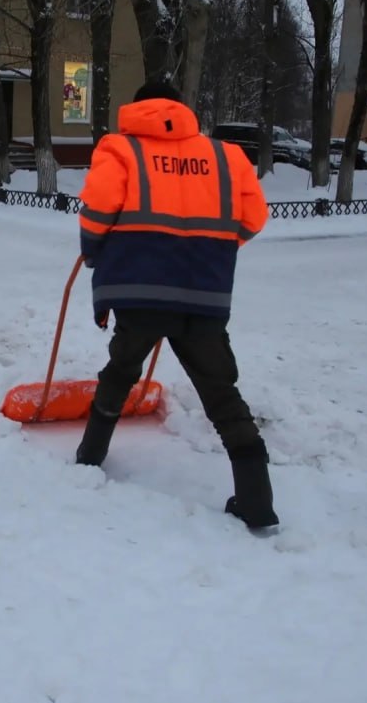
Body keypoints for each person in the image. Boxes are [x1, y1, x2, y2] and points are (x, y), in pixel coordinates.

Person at [75, 81, 277, 530]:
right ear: (180, 110)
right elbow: (254, 217)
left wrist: (95, 252)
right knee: (222, 394)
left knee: (121, 372)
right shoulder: (227, 157)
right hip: (203, 294)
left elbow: (97, 211)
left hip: (139, 290)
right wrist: (215, 250)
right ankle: (257, 500)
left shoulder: (120, 149)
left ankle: (89, 459)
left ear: (138, 108)